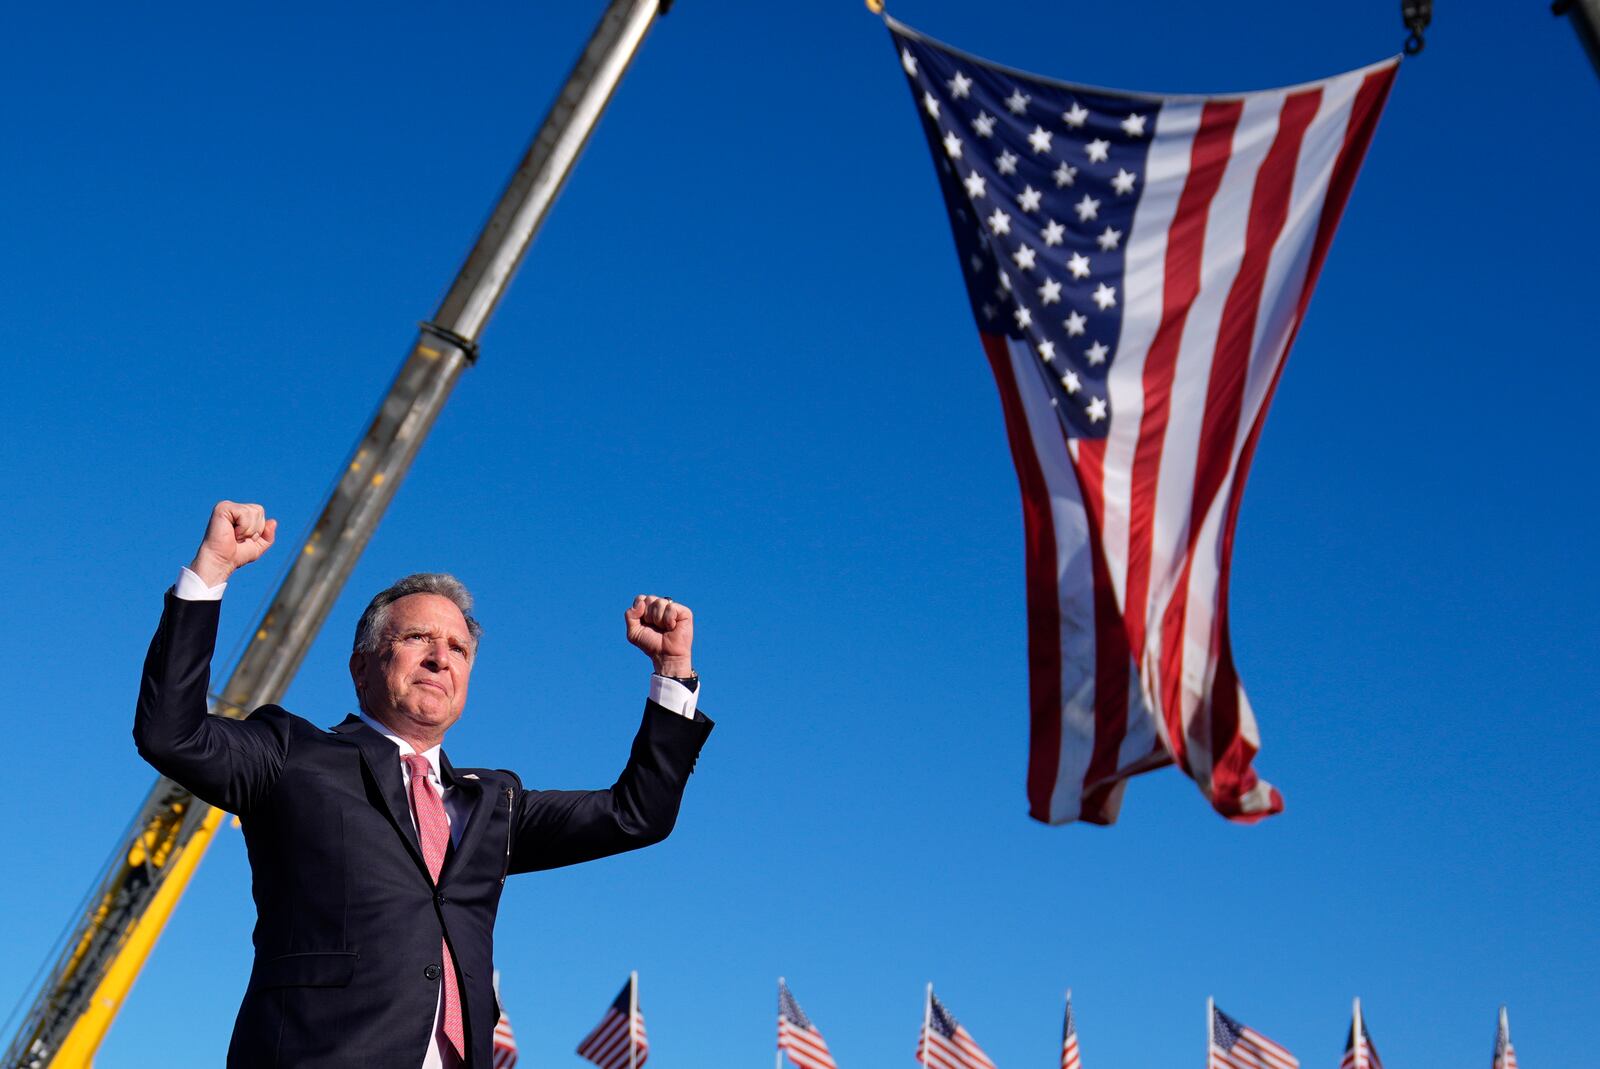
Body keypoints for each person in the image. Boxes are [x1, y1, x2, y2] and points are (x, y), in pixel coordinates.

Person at [134, 501, 713, 1069]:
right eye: (417, 639)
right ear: (361, 665)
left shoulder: (493, 803)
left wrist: (672, 674)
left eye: (458, 649)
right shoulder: (291, 753)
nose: (441, 658)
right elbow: (171, 734)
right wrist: (210, 571)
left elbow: (638, 814)